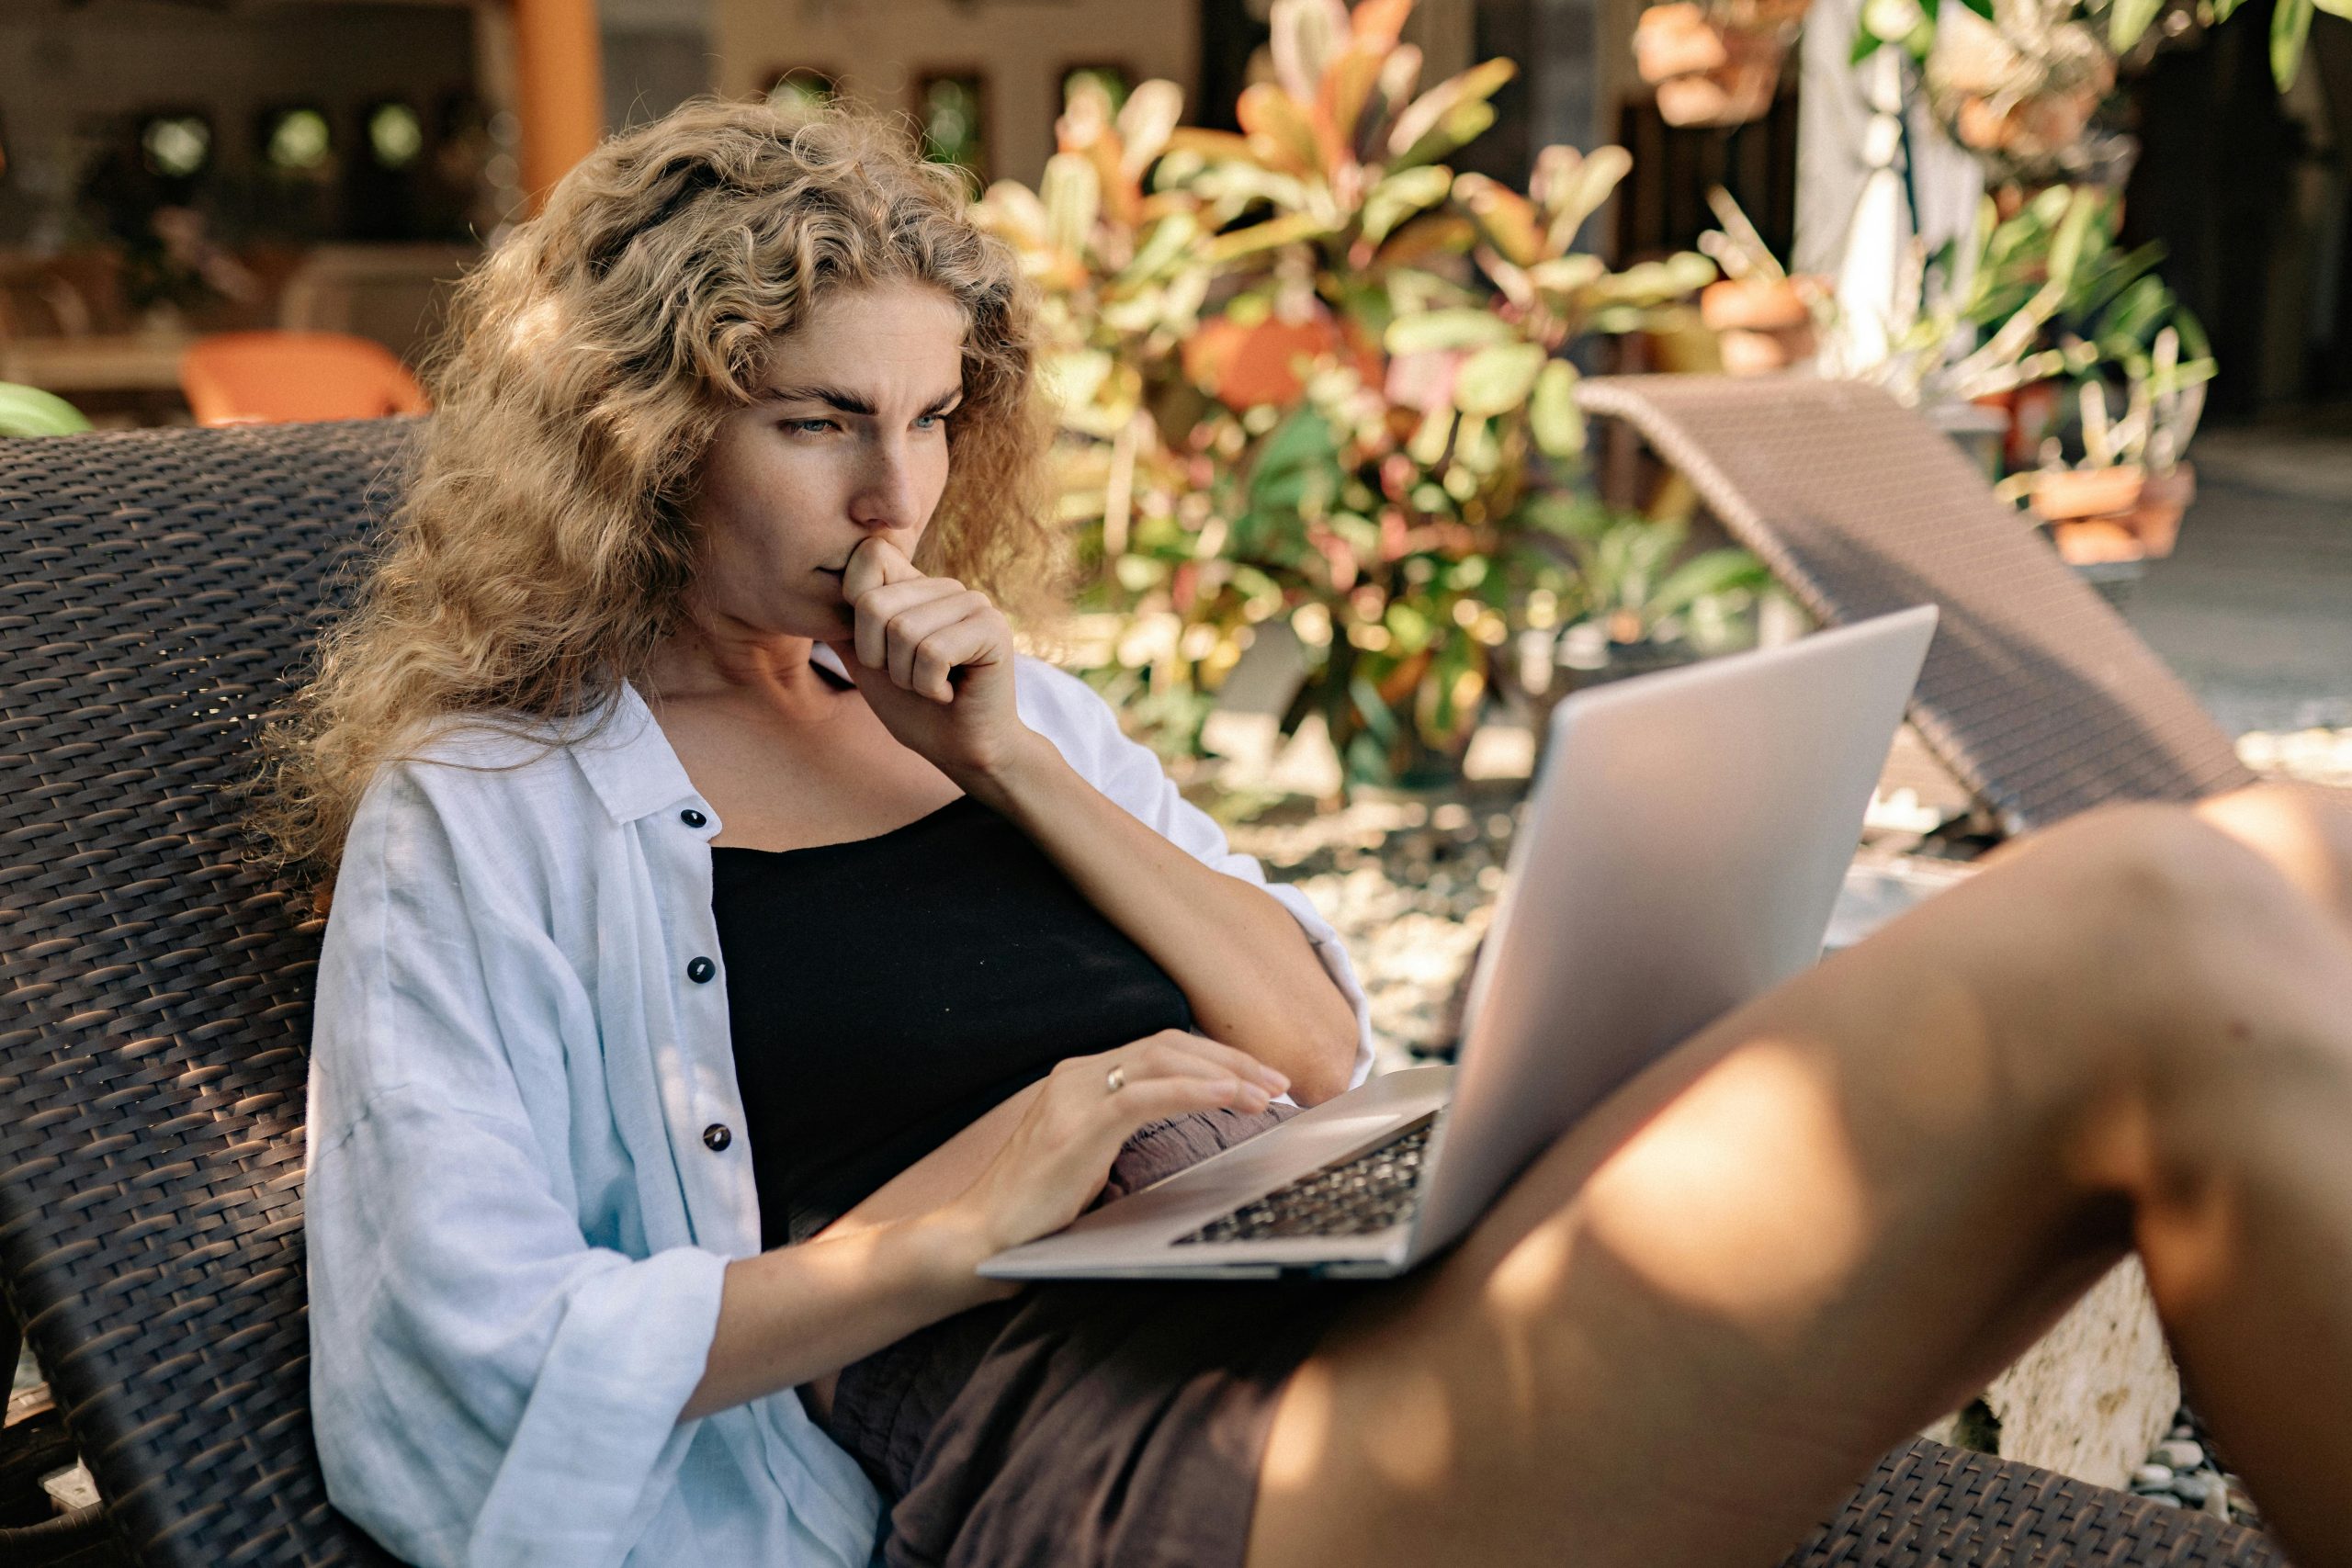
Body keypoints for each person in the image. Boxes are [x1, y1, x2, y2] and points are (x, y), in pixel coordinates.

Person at [269, 98, 2352, 1568]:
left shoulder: (1010, 710)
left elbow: (1316, 1042)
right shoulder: (499, 812)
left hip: (1346, 1278)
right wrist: (946, 1215)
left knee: (2291, 847)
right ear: (641, 432)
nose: (893, 498)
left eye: (925, 419)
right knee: (2154, 910)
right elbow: (443, 1371)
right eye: (816, 422)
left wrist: (1013, 769)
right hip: (1141, 1453)